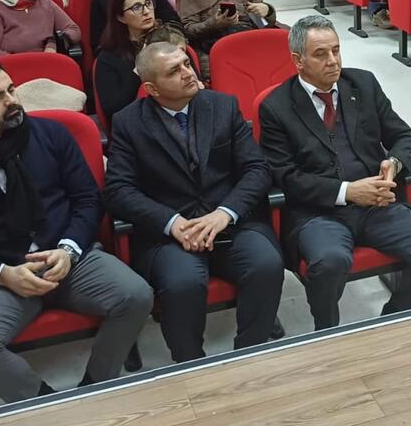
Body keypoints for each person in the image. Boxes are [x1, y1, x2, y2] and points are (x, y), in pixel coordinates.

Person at [0, 57, 153, 403]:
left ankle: (95, 388)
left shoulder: (51, 135)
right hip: (1, 271)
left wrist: (69, 249)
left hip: (67, 256)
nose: (11, 100)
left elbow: (88, 199)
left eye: (11, 89)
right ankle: (46, 404)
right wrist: (2, 273)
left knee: (136, 295)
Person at [258, 15, 411, 330]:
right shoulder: (276, 107)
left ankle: (394, 322)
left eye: (336, 50)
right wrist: (347, 191)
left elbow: (405, 136)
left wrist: (394, 163)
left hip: (377, 205)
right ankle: (329, 333)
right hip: (318, 213)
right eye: (321, 54)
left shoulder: (363, 84)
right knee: (329, 262)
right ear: (298, 60)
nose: (333, 61)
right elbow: (285, 177)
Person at [103, 42, 284, 362]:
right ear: (151, 88)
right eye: (174, 71)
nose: (188, 73)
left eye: (187, 64)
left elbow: (257, 169)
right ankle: (191, 364)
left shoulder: (223, 105)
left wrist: (225, 213)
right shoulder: (128, 122)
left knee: (266, 264)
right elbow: (118, 189)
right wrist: (172, 223)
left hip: (229, 222)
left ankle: (250, 353)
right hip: (173, 233)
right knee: (183, 284)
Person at [94, 0, 185, 125]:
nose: (146, 11)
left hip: (180, 116)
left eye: (148, 3)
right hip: (138, 125)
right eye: (136, 7)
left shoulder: (170, 40)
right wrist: (141, 67)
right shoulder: (108, 58)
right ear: (121, 17)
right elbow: (113, 109)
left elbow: (194, 84)